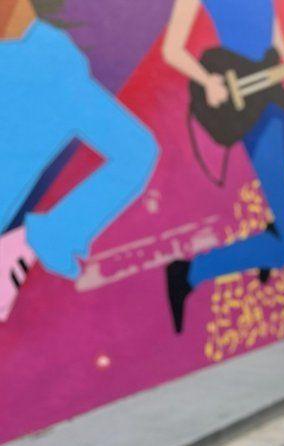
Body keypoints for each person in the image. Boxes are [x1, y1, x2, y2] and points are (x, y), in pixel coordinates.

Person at [161, 0, 284, 333]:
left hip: (271, 101)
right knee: (283, 250)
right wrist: (207, 81)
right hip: (251, 116)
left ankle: (277, 228)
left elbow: (274, 39)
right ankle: (190, 272)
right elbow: (172, 49)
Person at [0, 0, 159, 322]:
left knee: (136, 151)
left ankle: (48, 236)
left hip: (34, 59)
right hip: (37, 55)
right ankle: (48, 236)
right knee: (136, 151)